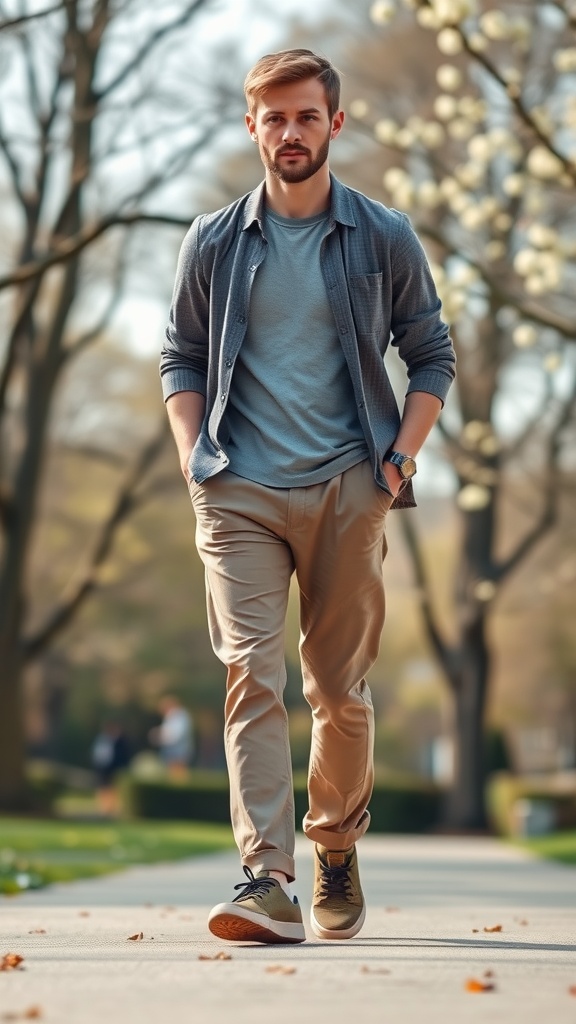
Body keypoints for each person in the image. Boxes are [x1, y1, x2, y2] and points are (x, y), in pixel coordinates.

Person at [160, 48, 455, 944]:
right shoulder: (213, 241)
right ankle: (265, 878)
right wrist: (191, 458)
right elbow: (179, 354)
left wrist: (396, 463)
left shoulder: (382, 235)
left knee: (337, 690)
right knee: (252, 673)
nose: (290, 133)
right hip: (238, 489)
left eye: (307, 117)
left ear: (336, 123)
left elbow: (431, 353)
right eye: (274, 117)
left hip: (347, 486)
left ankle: (332, 846)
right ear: (252, 125)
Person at [148, 694, 194, 779]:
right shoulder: (171, 717)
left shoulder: (180, 716)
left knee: (178, 777)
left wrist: (159, 736)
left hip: (178, 754)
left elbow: (176, 735)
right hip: (171, 754)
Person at [91, 720, 131, 816]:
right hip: (103, 767)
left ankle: (112, 807)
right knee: (103, 787)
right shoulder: (101, 739)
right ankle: (104, 807)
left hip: (114, 767)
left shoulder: (120, 740)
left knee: (114, 787)